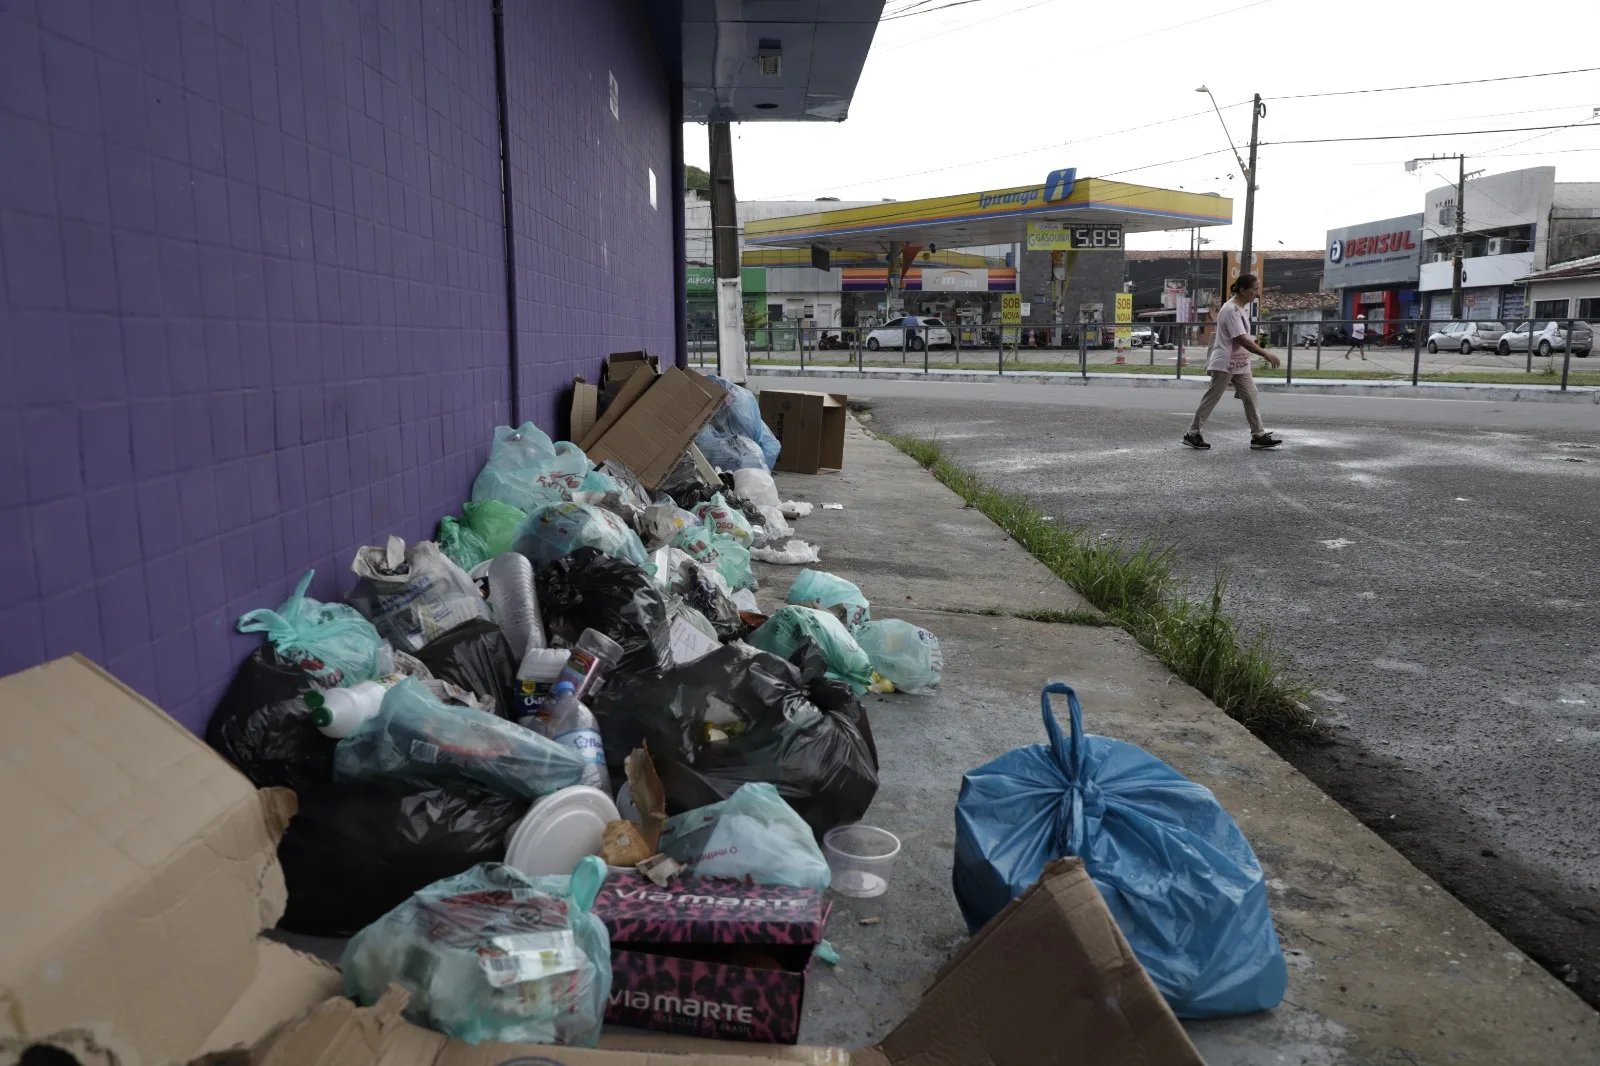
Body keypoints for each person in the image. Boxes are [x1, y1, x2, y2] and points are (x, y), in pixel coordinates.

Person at [1183, 273, 1281, 451]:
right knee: (1212, 398)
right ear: (1242, 290)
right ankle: (1192, 433)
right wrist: (1265, 354)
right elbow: (1242, 339)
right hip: (1226, 362)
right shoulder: (1231, 310)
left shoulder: (1240, 308)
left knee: (1251, 396)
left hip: (1240, 363)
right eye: (1254, 289)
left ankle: (1258, 435)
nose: (1257, 293)